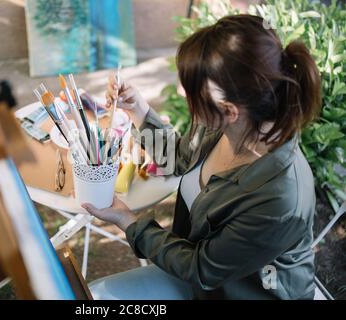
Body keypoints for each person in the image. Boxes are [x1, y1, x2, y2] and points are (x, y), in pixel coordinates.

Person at [81, 14, 321, 300]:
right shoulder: (230, 126)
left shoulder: (279, 198)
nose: (185, 95)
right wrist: (139, 111)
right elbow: (181, 157)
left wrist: (129, 222)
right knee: (95, 297)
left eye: (192, 92)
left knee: (98, 298)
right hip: (196, 272)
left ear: (230, 110)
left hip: (233, 291)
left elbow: (201, 267)